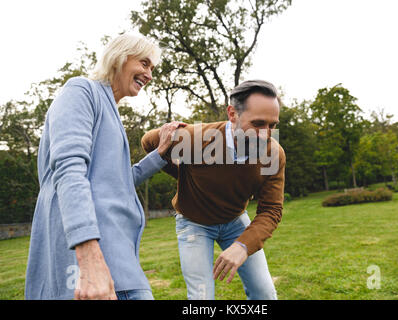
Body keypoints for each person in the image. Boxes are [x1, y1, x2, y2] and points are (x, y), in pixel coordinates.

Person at [25, 34, 184, 300]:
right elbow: (68, 170)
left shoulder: (110, 110)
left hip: (120, 260)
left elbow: (117, 181)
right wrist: (88, 257)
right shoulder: (80, 91)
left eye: (152, 69)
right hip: (85, 261)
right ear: (120, 57)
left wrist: (159, 154)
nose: (149, 74)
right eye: (144, 63)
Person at [141, 80, 285, 300]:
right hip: (194, 223)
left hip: (235, 221)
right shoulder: (196, 139)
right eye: (257, 123)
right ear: (233, 114)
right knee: (201, 298)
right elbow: (149, 142)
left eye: (272, 125)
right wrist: (183, 175)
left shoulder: (272, 153)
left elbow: (271, 210)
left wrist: (243, 246)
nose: (265, 134)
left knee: (265, 293)